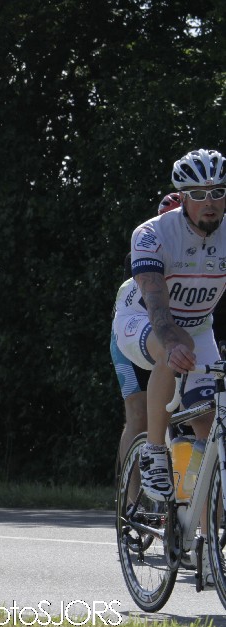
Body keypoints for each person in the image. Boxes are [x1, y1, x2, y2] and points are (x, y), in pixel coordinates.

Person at [112, 148, 226, 502]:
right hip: (141, 322)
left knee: (210, 426)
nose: (210, 202)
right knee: (172, 350)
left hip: (198, 327)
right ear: (183, 197)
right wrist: (173, 342)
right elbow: (157, 306)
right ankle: (154, 452)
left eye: (218, 192)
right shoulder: (152, 233)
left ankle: (205, 530)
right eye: (198, 194)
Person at [111, 192, 183, 467]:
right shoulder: (143, 251)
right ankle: (131, 493)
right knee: (139, 415)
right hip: (136, 333)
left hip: (181, 335)